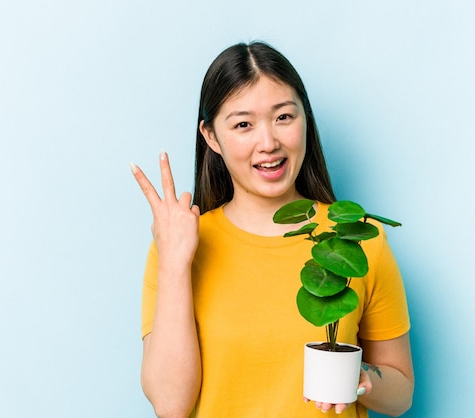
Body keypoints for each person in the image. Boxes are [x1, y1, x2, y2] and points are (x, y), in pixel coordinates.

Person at [131, 41, 414, 417]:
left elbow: (401, 393)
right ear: (211, 136)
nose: (268, 143)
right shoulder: (181, 246)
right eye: (243, 124)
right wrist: (174, 261)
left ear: (305, 120)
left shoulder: (357, 239)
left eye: (283, 117)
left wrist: (358, 378)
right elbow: (170, 406)